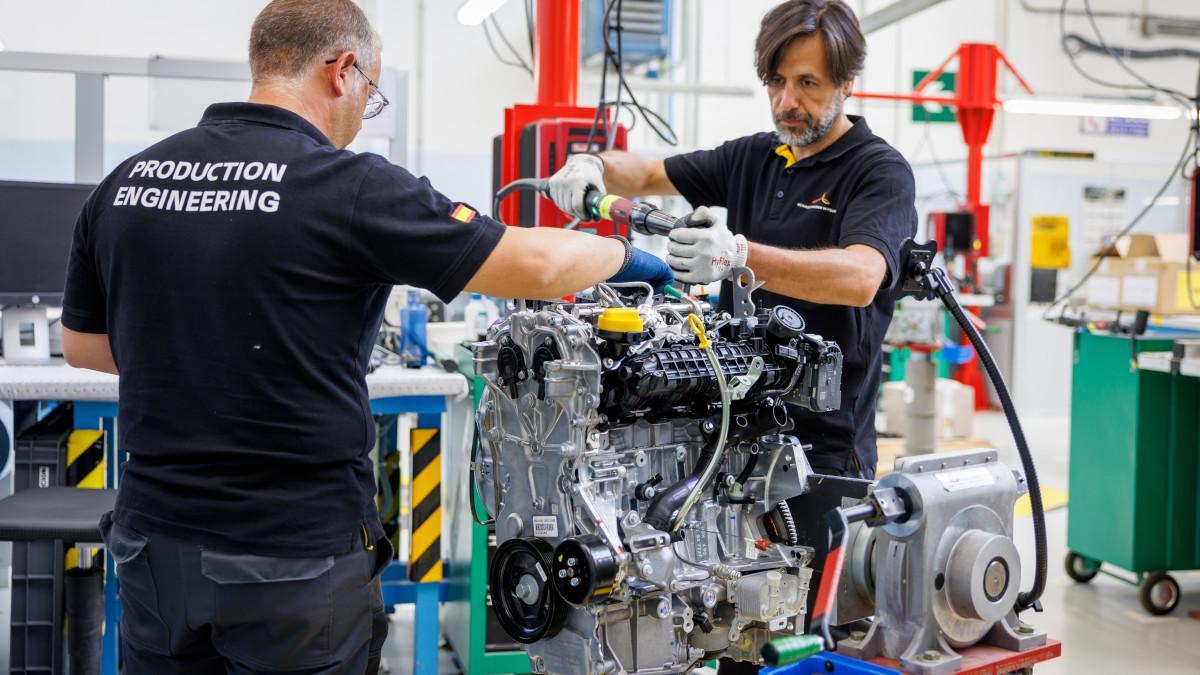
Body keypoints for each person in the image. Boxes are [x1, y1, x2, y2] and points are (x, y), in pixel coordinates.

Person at [59, 1, 671, 672]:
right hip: (291, 560)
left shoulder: (129, 180)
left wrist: (199, 348)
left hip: (154, 550)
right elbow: (541, 264)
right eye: (371, 94)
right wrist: (635, 258)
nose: (362, 112)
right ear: (343, 70)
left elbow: (82, 344)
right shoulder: (346, 185)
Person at [548, 0, 916, 483]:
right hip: (729, 431)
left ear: (846, 83)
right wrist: (591, 165)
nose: (787, 102)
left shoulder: (878, 171)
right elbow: (650, 171)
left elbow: (861, 277)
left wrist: (738, 255)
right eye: (776, 82)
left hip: (823, 448)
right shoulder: (754, 157)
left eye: (807, 83)